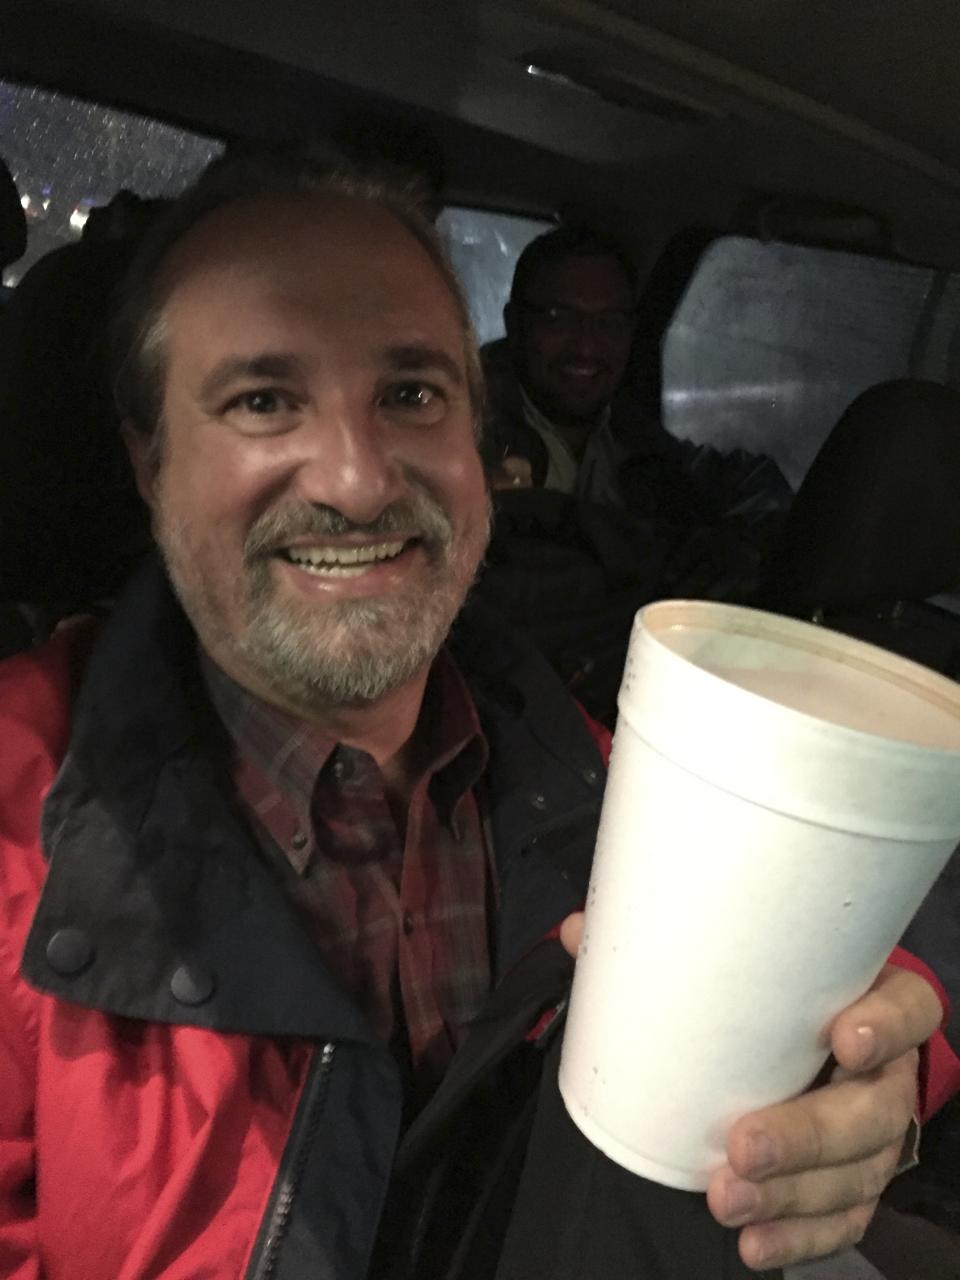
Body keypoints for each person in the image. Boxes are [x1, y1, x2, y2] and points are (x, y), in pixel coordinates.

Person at [0, 152, 952, 1279]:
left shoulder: (564, 739)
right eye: (264, 399)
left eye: (410, 394)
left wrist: (879, 1076)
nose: (356, 479)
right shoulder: (27, 806)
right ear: (151, 459)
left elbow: (845, 950)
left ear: (476, 443)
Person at [483, 225, 791, 529]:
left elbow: (747, 488)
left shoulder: (633, 435)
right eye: (558, 318)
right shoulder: (469, 432)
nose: (586, 346)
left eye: (609, 322)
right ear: (515, 324)